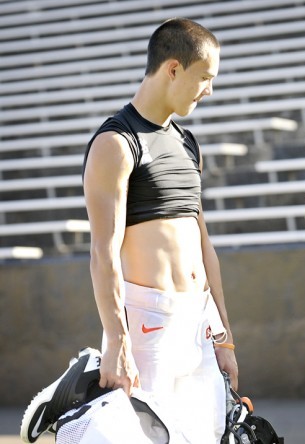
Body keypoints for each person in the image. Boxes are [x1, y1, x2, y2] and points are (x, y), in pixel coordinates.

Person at [81, 18, 235, 443]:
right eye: (205, 77)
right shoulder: (116, 142)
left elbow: (203, 243)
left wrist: (224, 336)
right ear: (173, 69)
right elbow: (103, 253)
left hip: (198, 324)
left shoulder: (187, 142)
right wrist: (116, 341)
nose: (209, 90)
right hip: (149, 325)